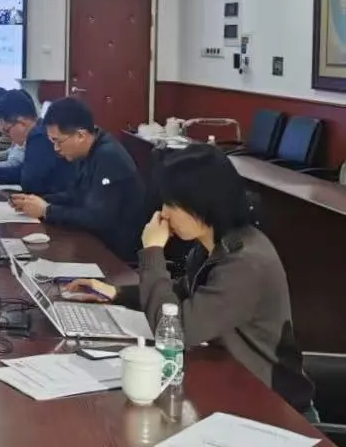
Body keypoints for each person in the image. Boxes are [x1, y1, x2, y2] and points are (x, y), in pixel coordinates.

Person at [65, 145, 314, 416]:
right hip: (232, 383)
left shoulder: (246, 262)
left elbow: (176, 332)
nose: (164, 213)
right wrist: (116, 293)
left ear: (204, 202)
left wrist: (152, 253)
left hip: (273, 406)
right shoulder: (213, 243)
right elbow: (183, 292)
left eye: (173, 204)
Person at [10, 97, 148, 262]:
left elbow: (98, 218)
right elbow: (75, 194)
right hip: (93, 240)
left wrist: (47, 210)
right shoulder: (87, 150)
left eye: (58, 141)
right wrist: (36, 201)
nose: (56, 148)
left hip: (115, 254)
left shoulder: (109, 157)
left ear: (81, 135)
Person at [0, 89, 73, 195]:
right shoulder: (39, 131)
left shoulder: (39, 137)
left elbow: (30, 181)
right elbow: (25, 171)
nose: (9, 137)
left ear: (21, 123)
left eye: (7, 130)